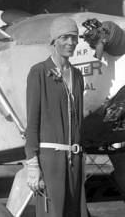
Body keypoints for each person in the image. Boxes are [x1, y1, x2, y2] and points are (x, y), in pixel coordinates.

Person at [24, 16, 87, 217]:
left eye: (75, 38)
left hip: (75, 159)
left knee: (74, 213)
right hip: (50, 160)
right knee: (53, 213)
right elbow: (32, 121)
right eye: (65, 37)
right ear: (54, 40)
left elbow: (78, 123)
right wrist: (32, 163)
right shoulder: (39, 72)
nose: (71, 43)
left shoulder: (77, 76)